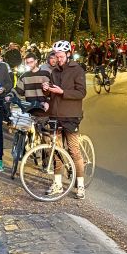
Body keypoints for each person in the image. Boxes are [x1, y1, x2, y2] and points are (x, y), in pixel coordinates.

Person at [43, 41, 87, 199]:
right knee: (56, 150)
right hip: (55, 115)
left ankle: (80, 185)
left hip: (71, 115)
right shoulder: (54, 71)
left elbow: (81, 93)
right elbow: (53, 94)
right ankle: (57, 183)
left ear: (68, 54)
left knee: (74, 151)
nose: (58, 59)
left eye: (61, 56)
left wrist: (63, 92)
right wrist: (47, 90)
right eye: (56, 56)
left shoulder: (77, 70)